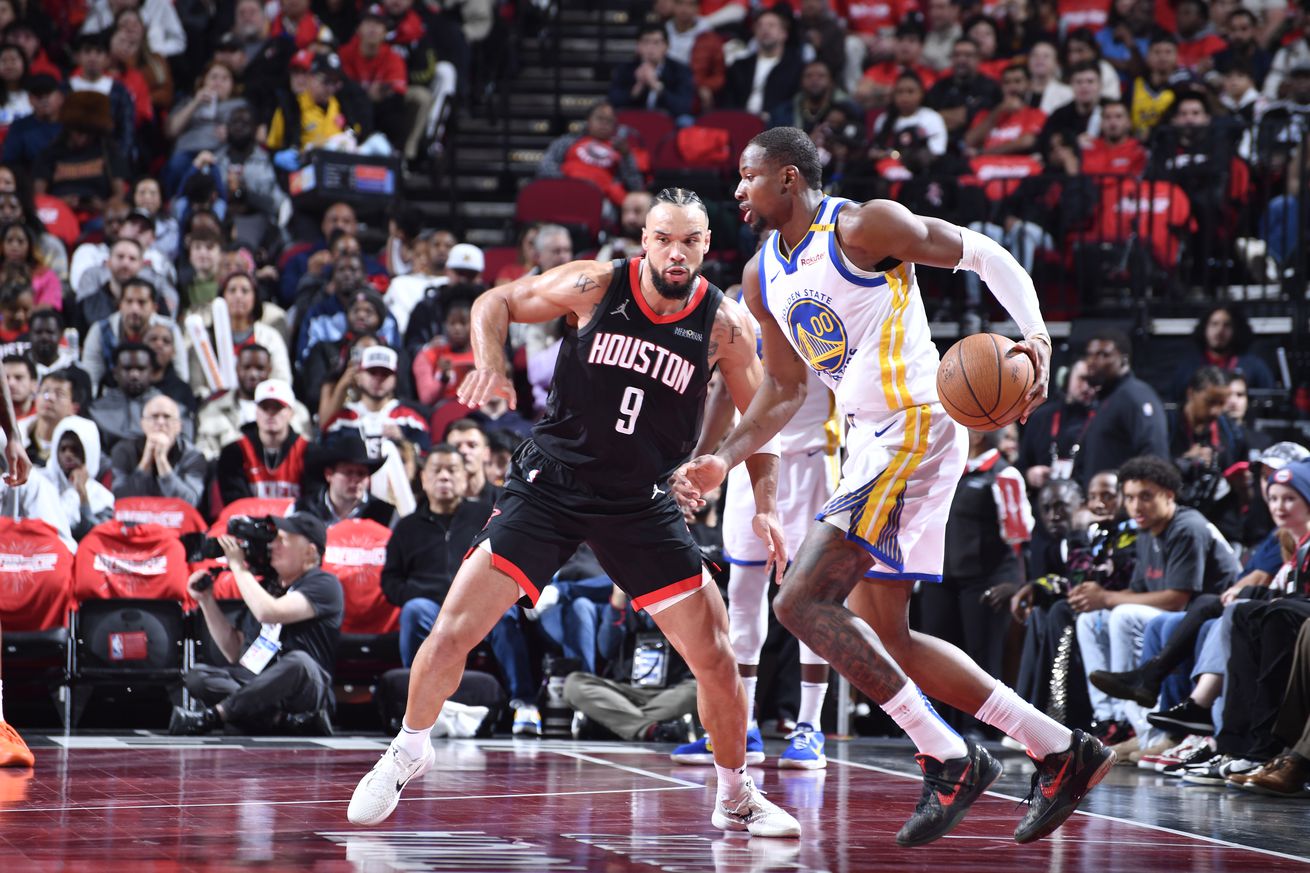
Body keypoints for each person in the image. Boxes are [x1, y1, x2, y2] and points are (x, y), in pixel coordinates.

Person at [678, 127, 1112, 848]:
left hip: (917, 424)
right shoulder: (761, 276)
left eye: (748, 177)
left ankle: (947, 756)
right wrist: (723, 457)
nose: (738, 192)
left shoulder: (861, 224)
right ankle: (1063, 748)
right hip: (867, 440)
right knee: (888, 638)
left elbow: (984, 253)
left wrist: (1034, 337)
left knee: (799, 601)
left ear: (789, 178)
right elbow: (784, 389)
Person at [347, 187, 802, 839]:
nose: (677, 252)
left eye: (691, 241)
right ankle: (406, 752)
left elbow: (758, 421)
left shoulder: (725, 325)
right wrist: (491, 361)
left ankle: (734, 794)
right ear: (644, 240)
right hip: (550, 486)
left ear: (707, 246)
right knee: (451, 629)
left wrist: (764, 505)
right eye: (665, 238)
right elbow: (495, 300)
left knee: (717, 657)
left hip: (640, 501)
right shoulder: (595, 284)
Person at [170, 513, 344, 735]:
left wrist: (238, 568)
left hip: (304, 689)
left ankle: (215, 716)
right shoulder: (267, 587)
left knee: (299, 662)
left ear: (310, 552)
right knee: (198, 676)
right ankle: (284, 721)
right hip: (258, 681)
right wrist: (206, 600)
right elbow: (235, 651)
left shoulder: (325, 584)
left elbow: (268, 612)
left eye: (283, 540)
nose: (273, 545)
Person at [1073, 329, 1170, 490]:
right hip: (1101, 504)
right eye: (1090, 354)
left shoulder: (1135, 396)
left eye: (1103, 355)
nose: (1092, 361)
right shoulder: (1107, 398)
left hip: (1125, 507)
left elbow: (1154, 457)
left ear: (1124, 359)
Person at [215, 378, 310, 506]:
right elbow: (236, 505)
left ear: (290, 413)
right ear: (256, 411)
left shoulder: (307, 452)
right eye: (264, 407)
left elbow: (311, 505)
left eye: (277, 407)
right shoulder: (234, 452)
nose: (270, 414)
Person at [109, 394, 206, 502]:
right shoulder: (123, 450)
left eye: (167, 416)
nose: (160, 422)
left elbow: (191, 502)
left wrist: (161, 460)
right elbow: (119, 498)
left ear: (179, 426)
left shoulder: (193, 456)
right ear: (143, 424)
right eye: (154, 416)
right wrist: (146, 461)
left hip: (174, 516)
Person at [37, 415, 114, 541]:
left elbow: (96, 537)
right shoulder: (40, 482)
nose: (68, 455)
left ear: (89, 452)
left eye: (75, 450)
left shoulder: (102, 497)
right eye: (63, 449)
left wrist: (82, 494)